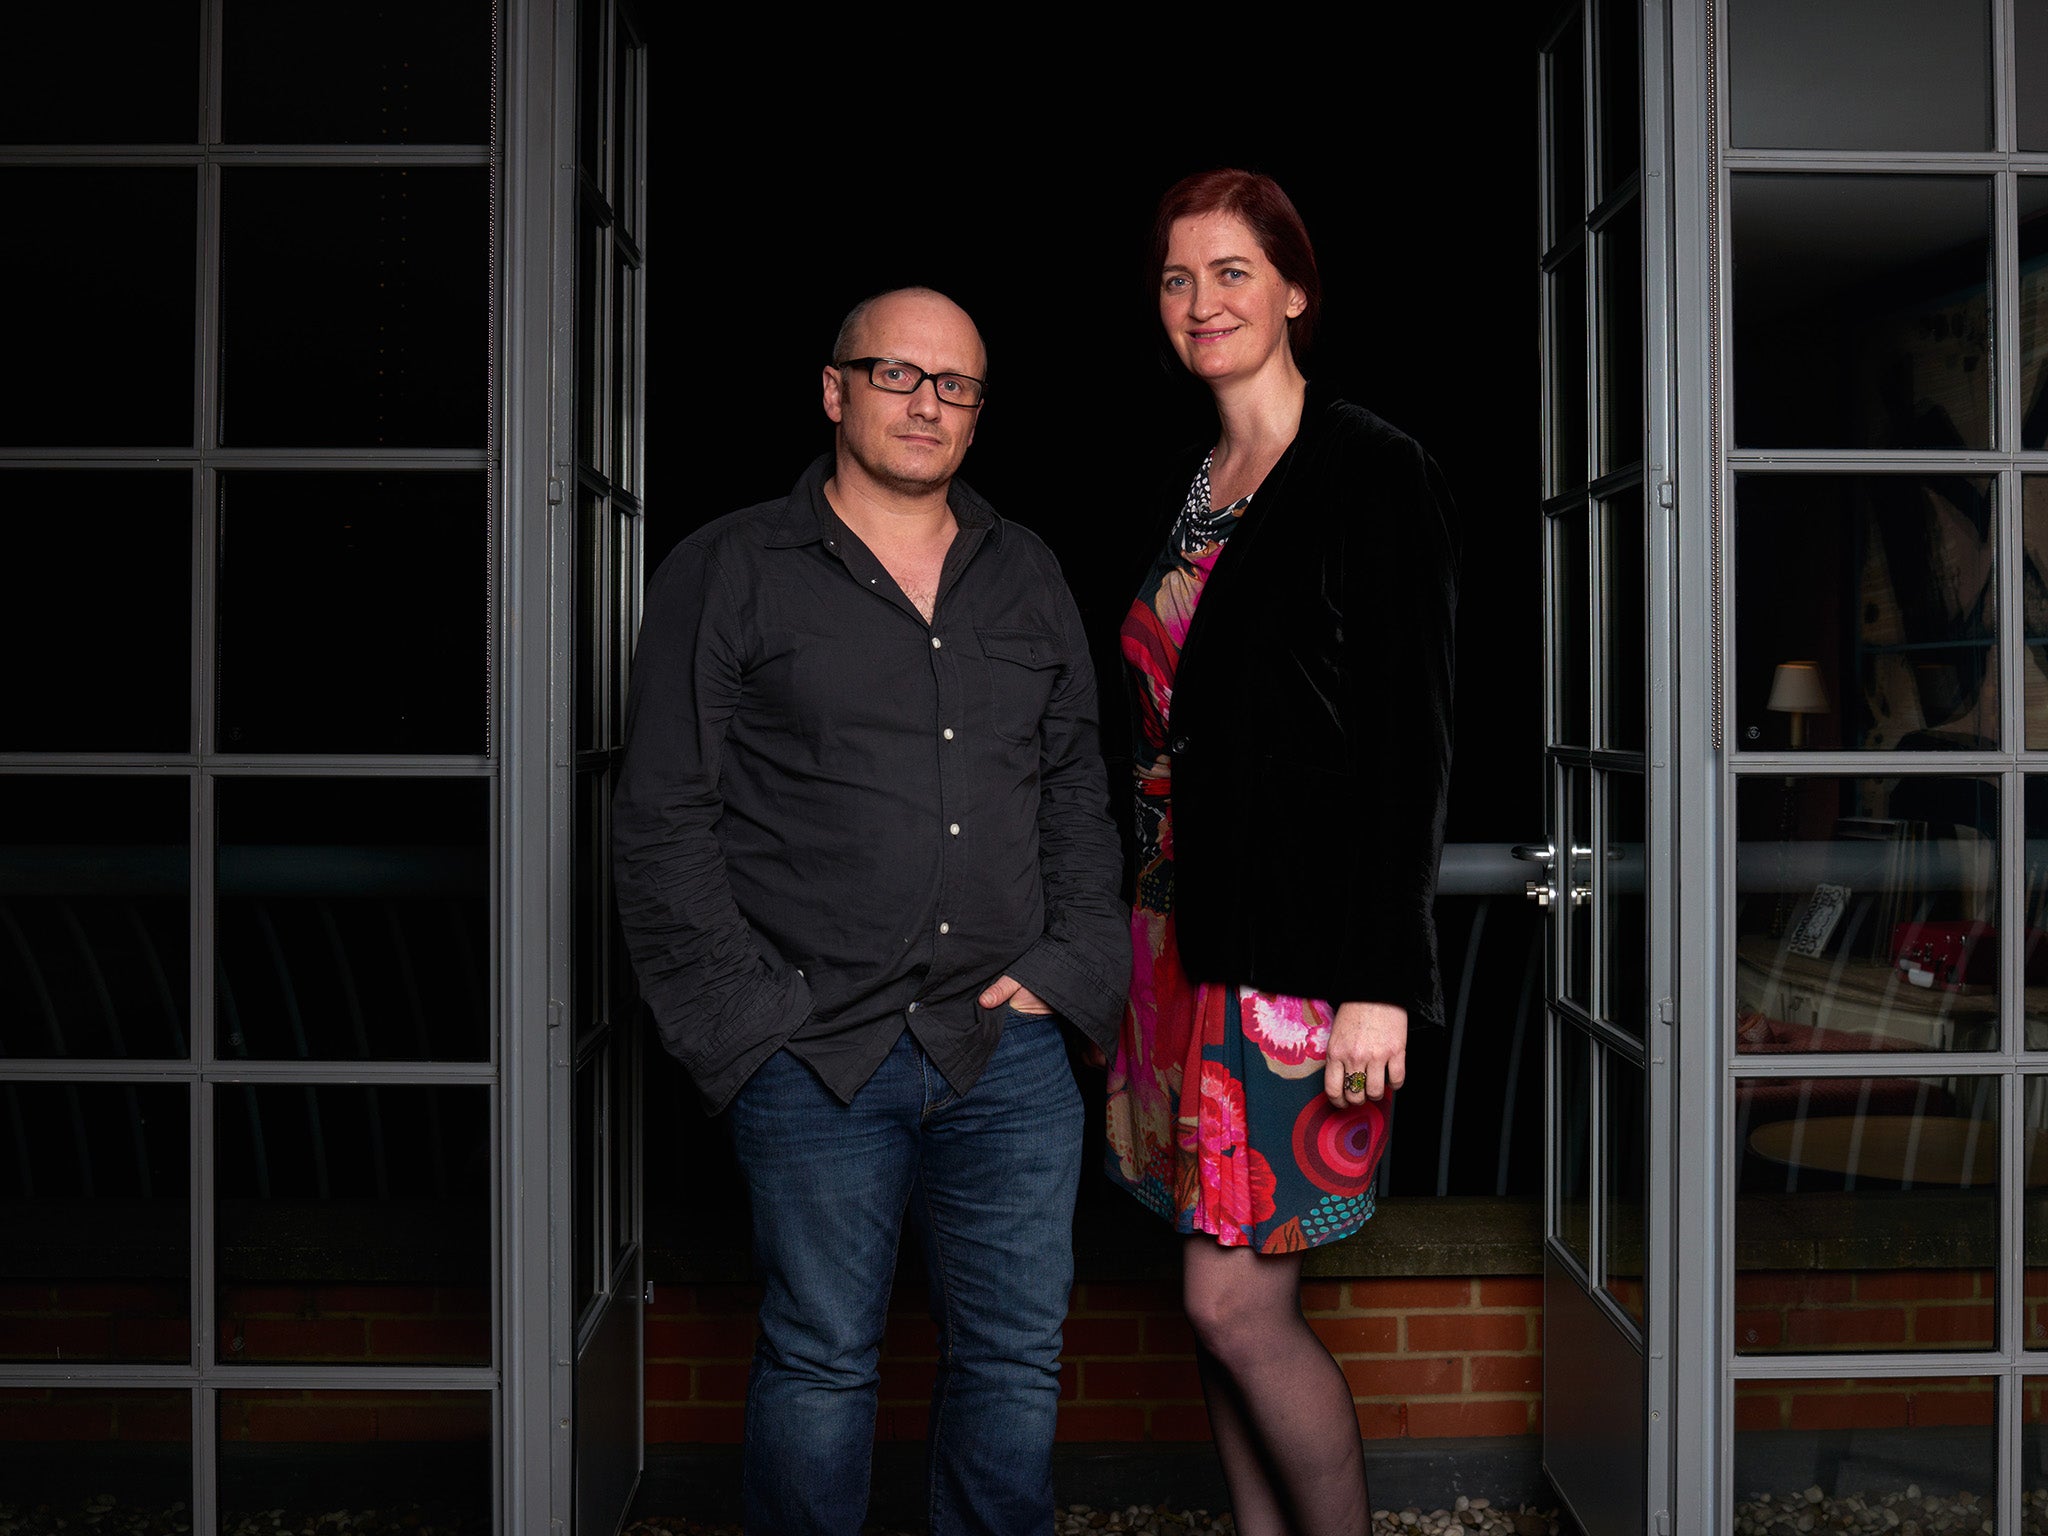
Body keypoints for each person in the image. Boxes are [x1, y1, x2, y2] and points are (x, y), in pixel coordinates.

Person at [611, 286, 1128, 1534]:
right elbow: (661, 818)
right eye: (897, 373)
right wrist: (747, 1025)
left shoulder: (1026, 572)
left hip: (1002, 1047)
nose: (926, 402)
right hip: (813, 1047)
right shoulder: (727, 569)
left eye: (954, 385)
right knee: (819, 1360)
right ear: (832, 388)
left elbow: (1076, 790)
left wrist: (1072, 965)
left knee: (1012, 1359)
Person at [1103, 170, 1458, 1533]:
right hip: (1172, 941)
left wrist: (1383, 977)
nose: (1202, 302)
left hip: (1300, 962)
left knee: (1232, 1301)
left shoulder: (1374, 468)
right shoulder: (1188, 482)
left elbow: (1410, 746)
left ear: (1295, 289)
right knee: (1215, 1312)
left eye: (1234, 271)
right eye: (1179, 278)